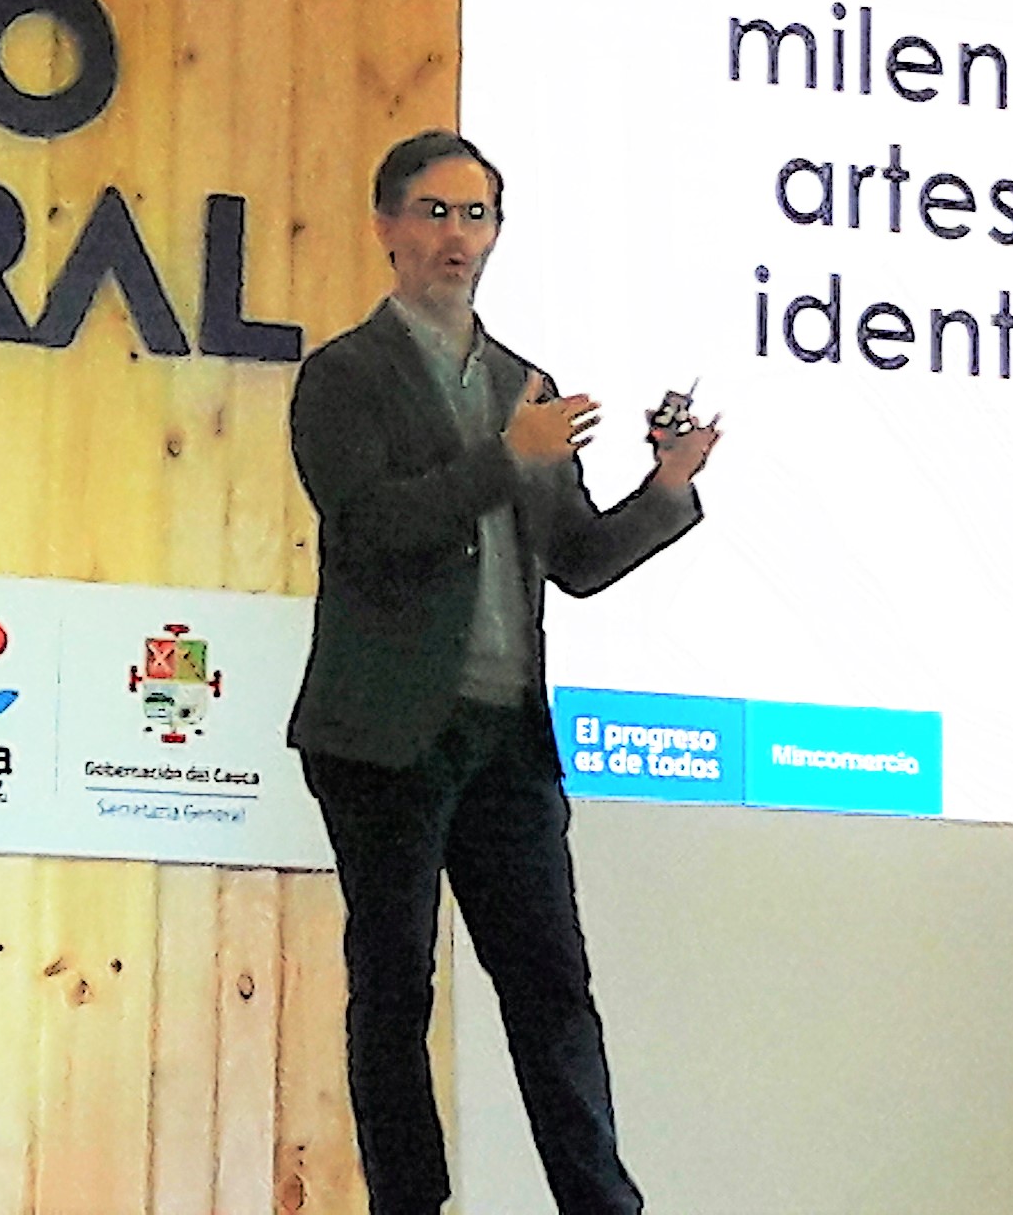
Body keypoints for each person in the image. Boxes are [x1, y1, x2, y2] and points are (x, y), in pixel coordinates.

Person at [289, 129, 720, 1215]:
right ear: (386, 228)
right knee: (396, 986)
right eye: (433, 213)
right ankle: (409, 1202)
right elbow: (370, 527)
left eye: (474, 216)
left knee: (553, 987)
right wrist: (502, 458)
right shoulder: (344, 377)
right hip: (384, 734)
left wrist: (667, 489)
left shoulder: (527, 386)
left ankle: (600, 1202)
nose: (455, 236)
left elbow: (576, 559)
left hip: (507, 736)